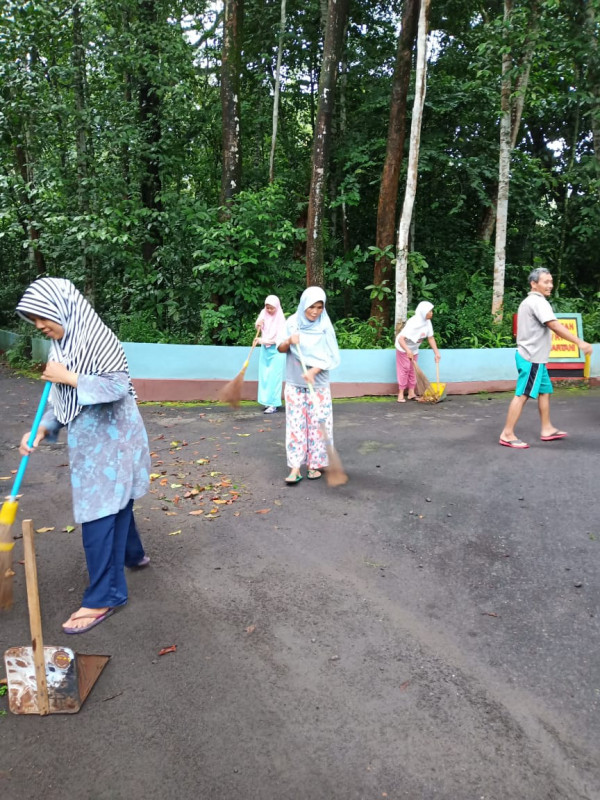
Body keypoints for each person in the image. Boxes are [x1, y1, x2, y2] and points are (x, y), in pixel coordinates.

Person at [16, 278, 151, 634]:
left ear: (62, 307)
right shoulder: (62, 344)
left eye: (43, 317)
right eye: (34, 321)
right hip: (91, 443)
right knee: (117, 502)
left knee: (99, 514)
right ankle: (132, 554)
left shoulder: (98, 338)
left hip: (115, 438)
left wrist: (70, 376)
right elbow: (64, 398)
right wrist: (43, 427)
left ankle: (104, 596)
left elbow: (117, 386)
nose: (40, 326)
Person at [499, 267, 592, 449]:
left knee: (544, 391)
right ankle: (507, 434)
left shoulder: (531, 301)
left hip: (536, 358)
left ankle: (547, 428)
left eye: (551, 281)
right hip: (531, 358)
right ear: (534, 284)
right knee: (523, 395)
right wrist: (579, 343)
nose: (550, 285)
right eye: (545, 282)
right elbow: (554, 325)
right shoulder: (537, 302)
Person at [277, 286, 340, 484]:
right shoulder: (292, 323)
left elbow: (331, 356)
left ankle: (315, 465)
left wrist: (314, 371)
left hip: (319, 385)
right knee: (296, 426)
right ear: (304, 304)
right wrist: (289, 340)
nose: (315, 311)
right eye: (311, 306)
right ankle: (295, 467)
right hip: (295, 383)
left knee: (318, 425)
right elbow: (280, 348)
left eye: (319, 307)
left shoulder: (325, 326)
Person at [395, 301, 441, 402]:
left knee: (413, 369)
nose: (432, 313)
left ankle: (411, 393)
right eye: (430, 311)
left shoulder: (427, 323)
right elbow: (401, 339)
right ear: (423, 312)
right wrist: (407, 350)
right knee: (405, 368)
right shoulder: (413, 323)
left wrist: (436, 353)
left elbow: (431, 338)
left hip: (414, 348)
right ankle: (401, 394)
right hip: (403, 347)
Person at [254, 295, 287, 414]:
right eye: (267, 308)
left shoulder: (280, 319)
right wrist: (259, 324)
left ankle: (274, 404)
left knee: (274, 377)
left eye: (272, 308)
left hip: (277, 350)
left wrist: (262, 341)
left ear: (277, 307)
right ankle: (267, 401)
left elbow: (279, 338)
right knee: (265, 376)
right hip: (265, 350)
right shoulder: (264, 312)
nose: (269, 310)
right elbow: (258, 325)